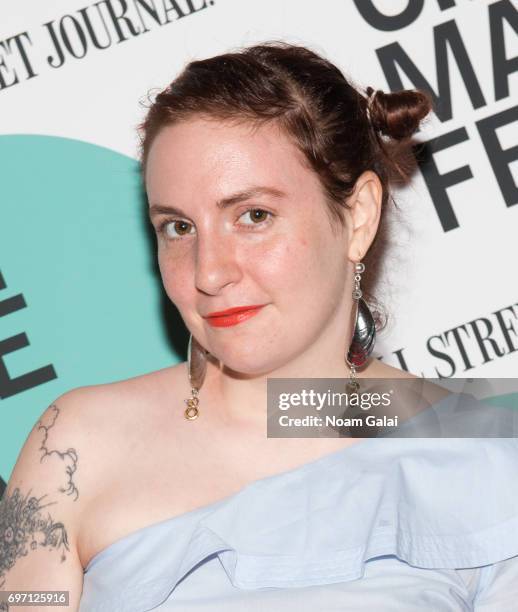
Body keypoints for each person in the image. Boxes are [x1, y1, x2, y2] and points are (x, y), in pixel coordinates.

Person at [1, 42, 517, 611]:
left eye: (253, 216)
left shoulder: (484, 459)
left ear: (358, 217)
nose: (209, 272)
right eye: (177, 228)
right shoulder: (76, 446)